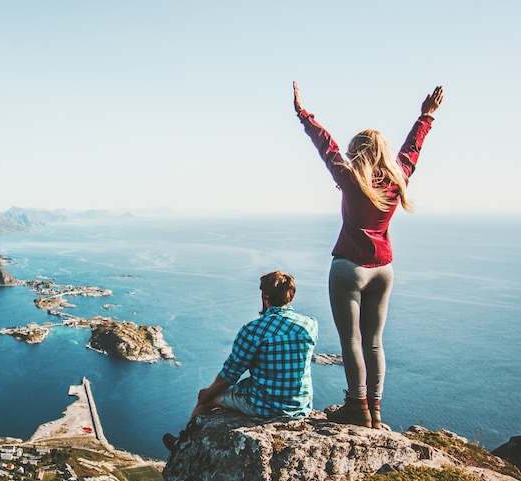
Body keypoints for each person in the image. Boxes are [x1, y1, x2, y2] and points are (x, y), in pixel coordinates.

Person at [293, 81, 443, 428]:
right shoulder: (398, 179)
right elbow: (412, 149)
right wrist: (426, 115)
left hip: (349, 268)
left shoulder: (349, 177)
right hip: (384, 269)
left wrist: (303, 113)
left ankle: (356, 407)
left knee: (351, 341)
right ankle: (375, 409)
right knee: (375, 342)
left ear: (357, 151)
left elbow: (325, 144)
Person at [163, 271, 318, 452]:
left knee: (206, 401)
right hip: (299, 405)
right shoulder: (310, 325)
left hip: (265, 405)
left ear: (264, 295)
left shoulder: (253, 330)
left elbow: (230, 374)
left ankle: (182, 446)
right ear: (291, 295)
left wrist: (207, 393)